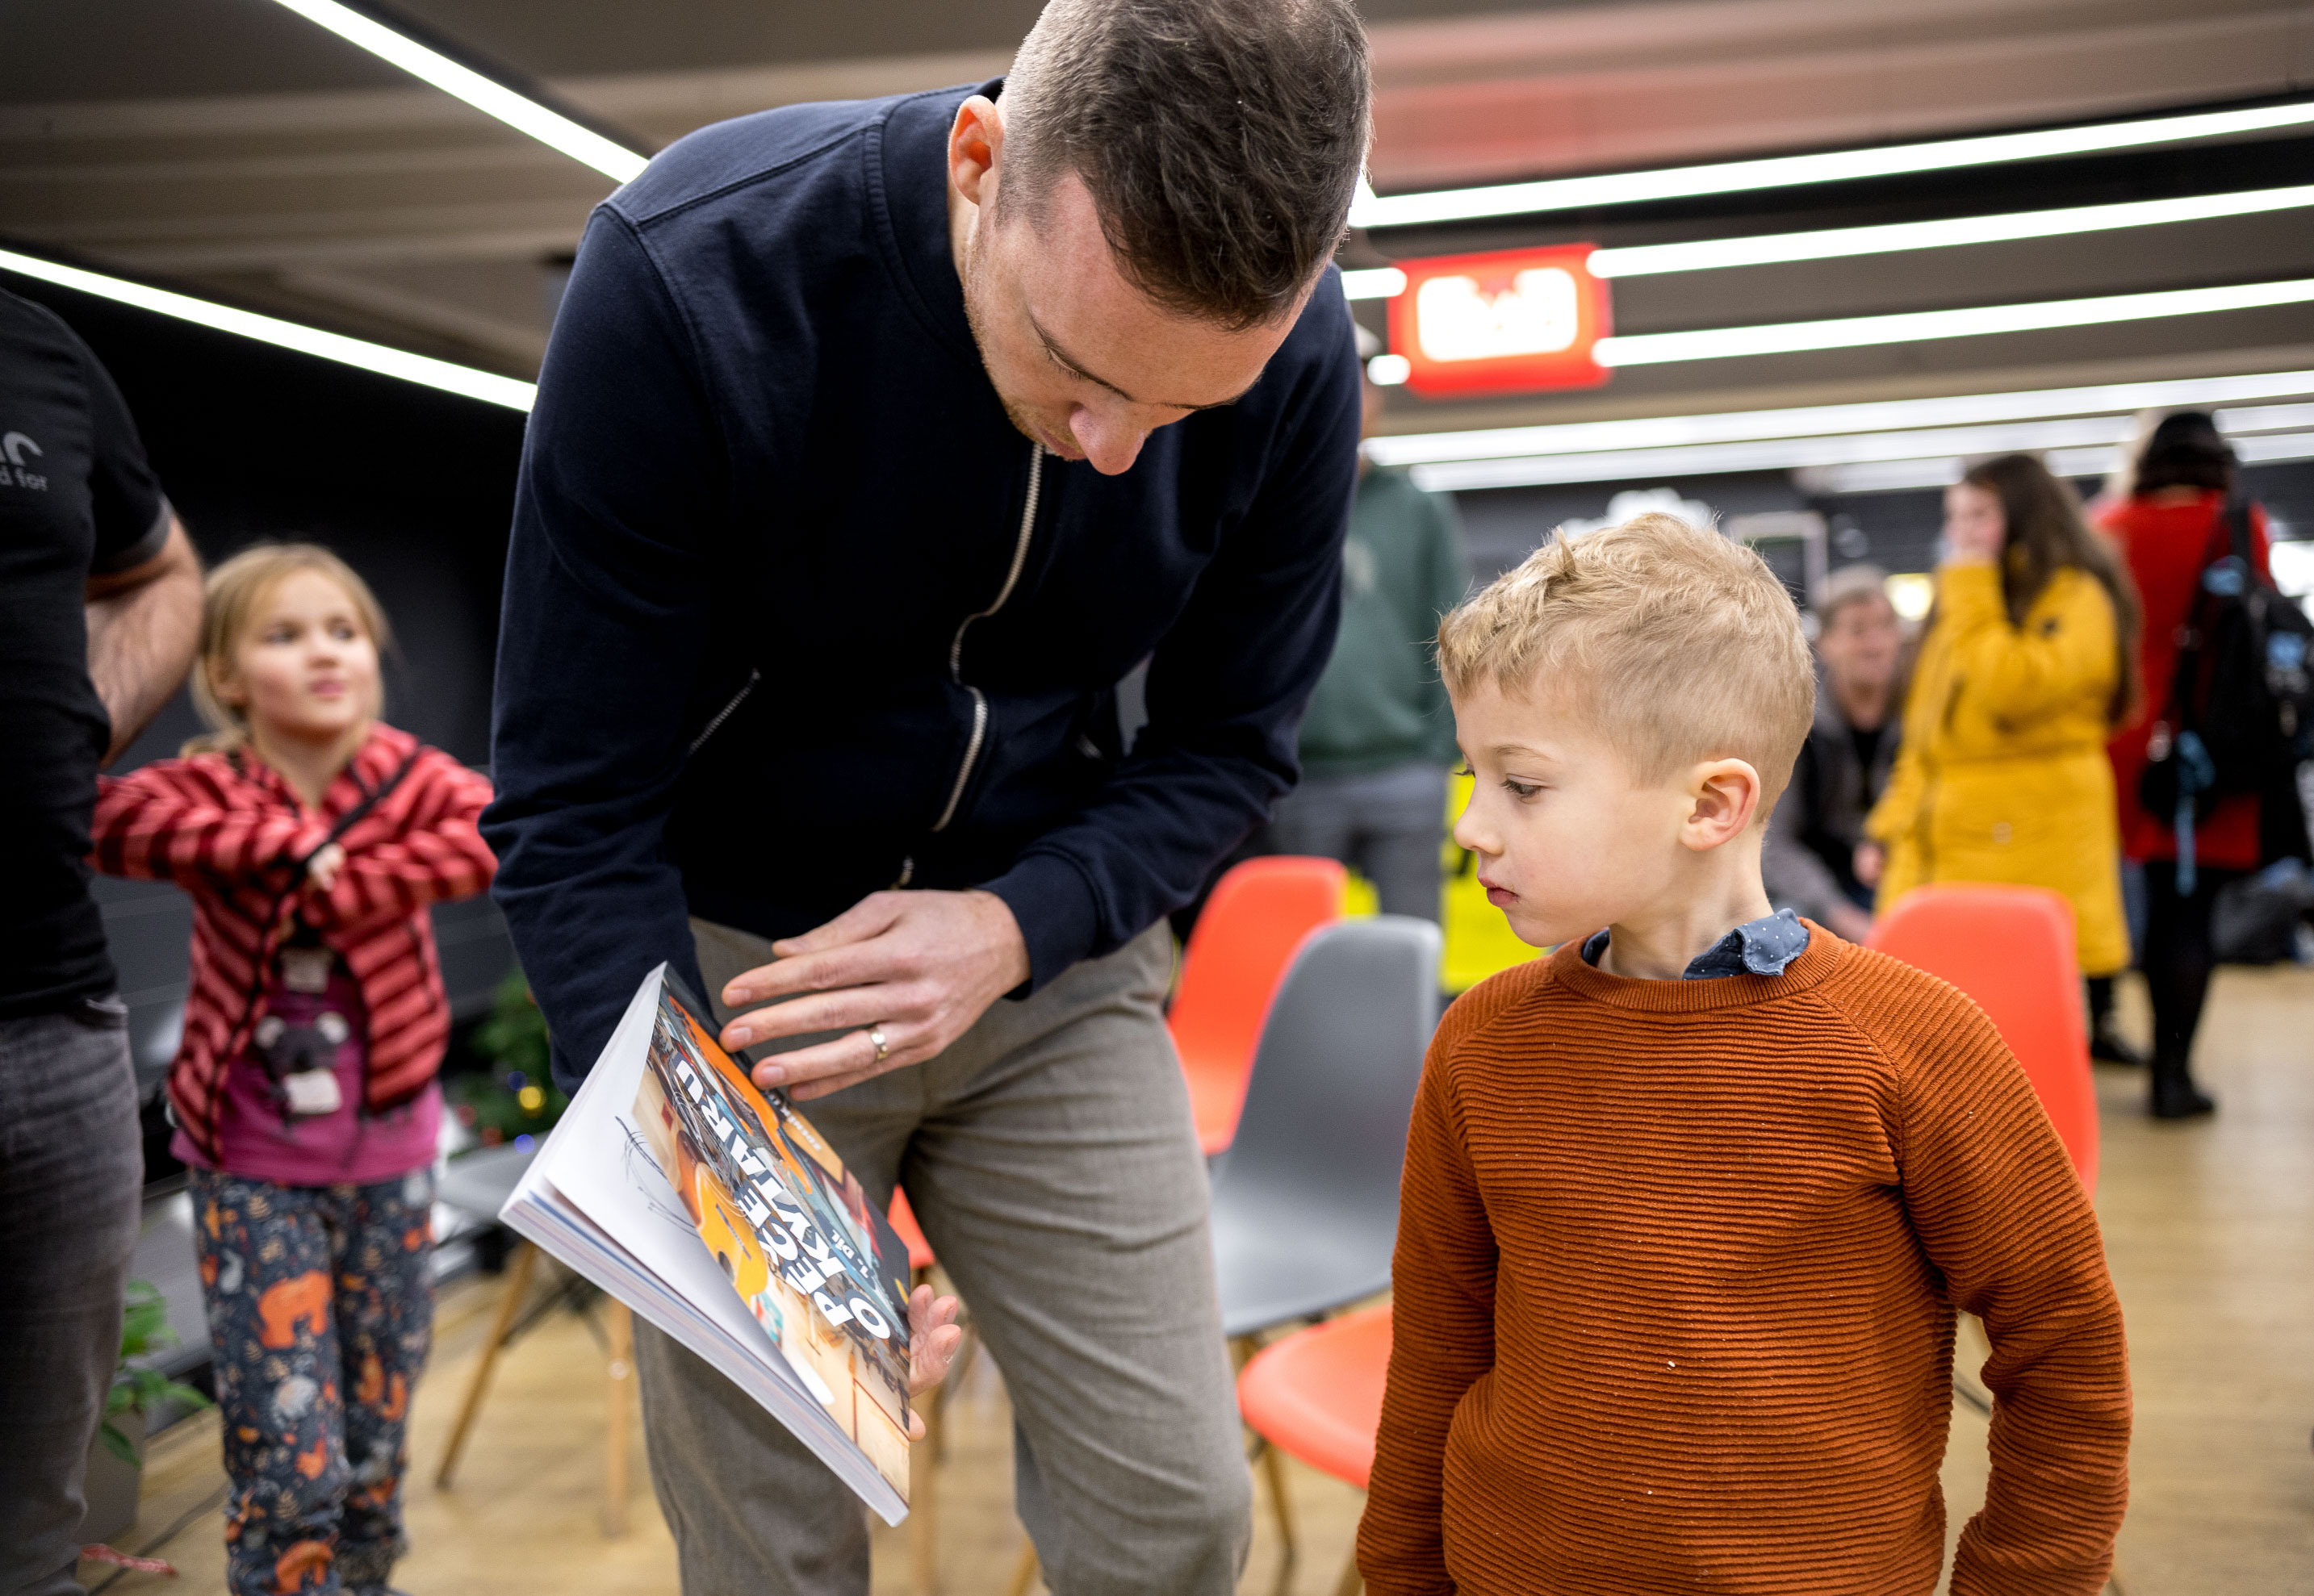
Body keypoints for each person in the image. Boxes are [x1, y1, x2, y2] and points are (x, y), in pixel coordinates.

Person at [479, 0, 1373, 1590]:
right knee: (776, 1543)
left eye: (1183, 411)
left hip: (1052, 959)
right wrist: (721, 1165)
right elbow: (569, 797)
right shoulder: (696, 272)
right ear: (980, 161)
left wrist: (1011, 924)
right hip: (738, 983)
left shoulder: (1299, 356)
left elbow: (1228, 741)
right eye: (1082, 369)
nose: (1117, 454)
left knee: (1175, 1513)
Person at [1355, 512, 2130, 1594]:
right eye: (1471, 776)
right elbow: (1435, 1355)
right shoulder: (1477, 1047)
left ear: (1710, 803)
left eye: (1519, 785)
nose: (1470, 826)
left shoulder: (1911, 1043)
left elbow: (2063, 1343)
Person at [87, 545, 496, 1596]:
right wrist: (270, 842)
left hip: (393, 1160)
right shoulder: (211, 784)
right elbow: (102, 816)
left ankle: (364, 1578)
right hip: (251, 1164)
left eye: (342, 631)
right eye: (283, 634)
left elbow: (490, 836)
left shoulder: (409, 775)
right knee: (288, 1451)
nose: (322, 651)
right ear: (225, 674)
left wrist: (341, 875)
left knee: (373, 1430)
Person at [0, 287, 203, 1596]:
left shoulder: (38, 348)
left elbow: (160, 571)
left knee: (33, 1520)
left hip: (56, 1023)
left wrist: (81, 722)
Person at [1866, 453, 2145, 1097]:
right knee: (1937, 1047)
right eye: (1955, 515)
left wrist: (1968, 591)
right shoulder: (1968, 600)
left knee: (2014, 1051)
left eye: (1980, 514)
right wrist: (1887, 827)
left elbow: (2009, 690)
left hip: (2026, 842)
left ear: (2025, 514)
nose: (1962, 531)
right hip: (1944, 841)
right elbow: (1926, 735)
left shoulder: (2074, 598)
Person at [2099, 413, 2275, 1119]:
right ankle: (2172, 1073)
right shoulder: (2235, 523)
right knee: (2187, 913)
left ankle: (2097, 1031)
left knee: (2109, 897)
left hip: (2121, 741)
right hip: (2209, 739)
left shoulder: (2110, 525)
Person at [1262, 327, 1469, 924]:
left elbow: (1454, 633)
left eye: (1358, 380)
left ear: (1375, 399)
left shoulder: (1416, 507)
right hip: (1298, 779)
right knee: (1299, 953)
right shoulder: (1265, 503)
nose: (1343, 395)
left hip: (1405, 771)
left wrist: (1435, 753)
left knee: (1414, 944)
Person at [1761, 562, 1902, 942]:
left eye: (1886, 627)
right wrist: (1840, 914)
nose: (1875, 644)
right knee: (1784, 929)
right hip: (1820, 888)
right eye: (1858, 630)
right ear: (1825, 643)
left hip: (1903, 876)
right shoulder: (1796, 721)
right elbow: (1774, 842)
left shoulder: (1922, 712)